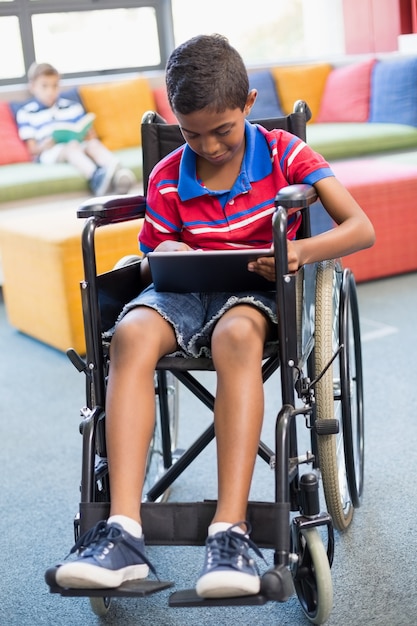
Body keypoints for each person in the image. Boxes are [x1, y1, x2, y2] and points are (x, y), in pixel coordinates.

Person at [53, 34, 375, 598]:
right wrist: (169, 253)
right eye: (190, 133)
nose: (208, 145)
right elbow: (155, 256)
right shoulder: (168, 175)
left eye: (222, 130)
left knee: (238, 335)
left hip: (255, 295)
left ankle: (232, 532)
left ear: (248, 104)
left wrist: (299, 251)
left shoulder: (284, 155)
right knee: (128, 333)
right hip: (181, 293)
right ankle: (123, 532)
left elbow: (360, 229)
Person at [16, 62, 136, 196]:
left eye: (54, 86)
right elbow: (33, 149)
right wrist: (45, 144)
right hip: (50, 152)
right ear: (32, 86)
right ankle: (97, 178)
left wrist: (89, 135)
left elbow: (84, 130)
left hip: (78, 145)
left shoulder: (72, 107)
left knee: (93, 144)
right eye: (44, 86)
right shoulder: (26, 113)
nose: (50, 91)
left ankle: (120, 172)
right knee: (71, 147)